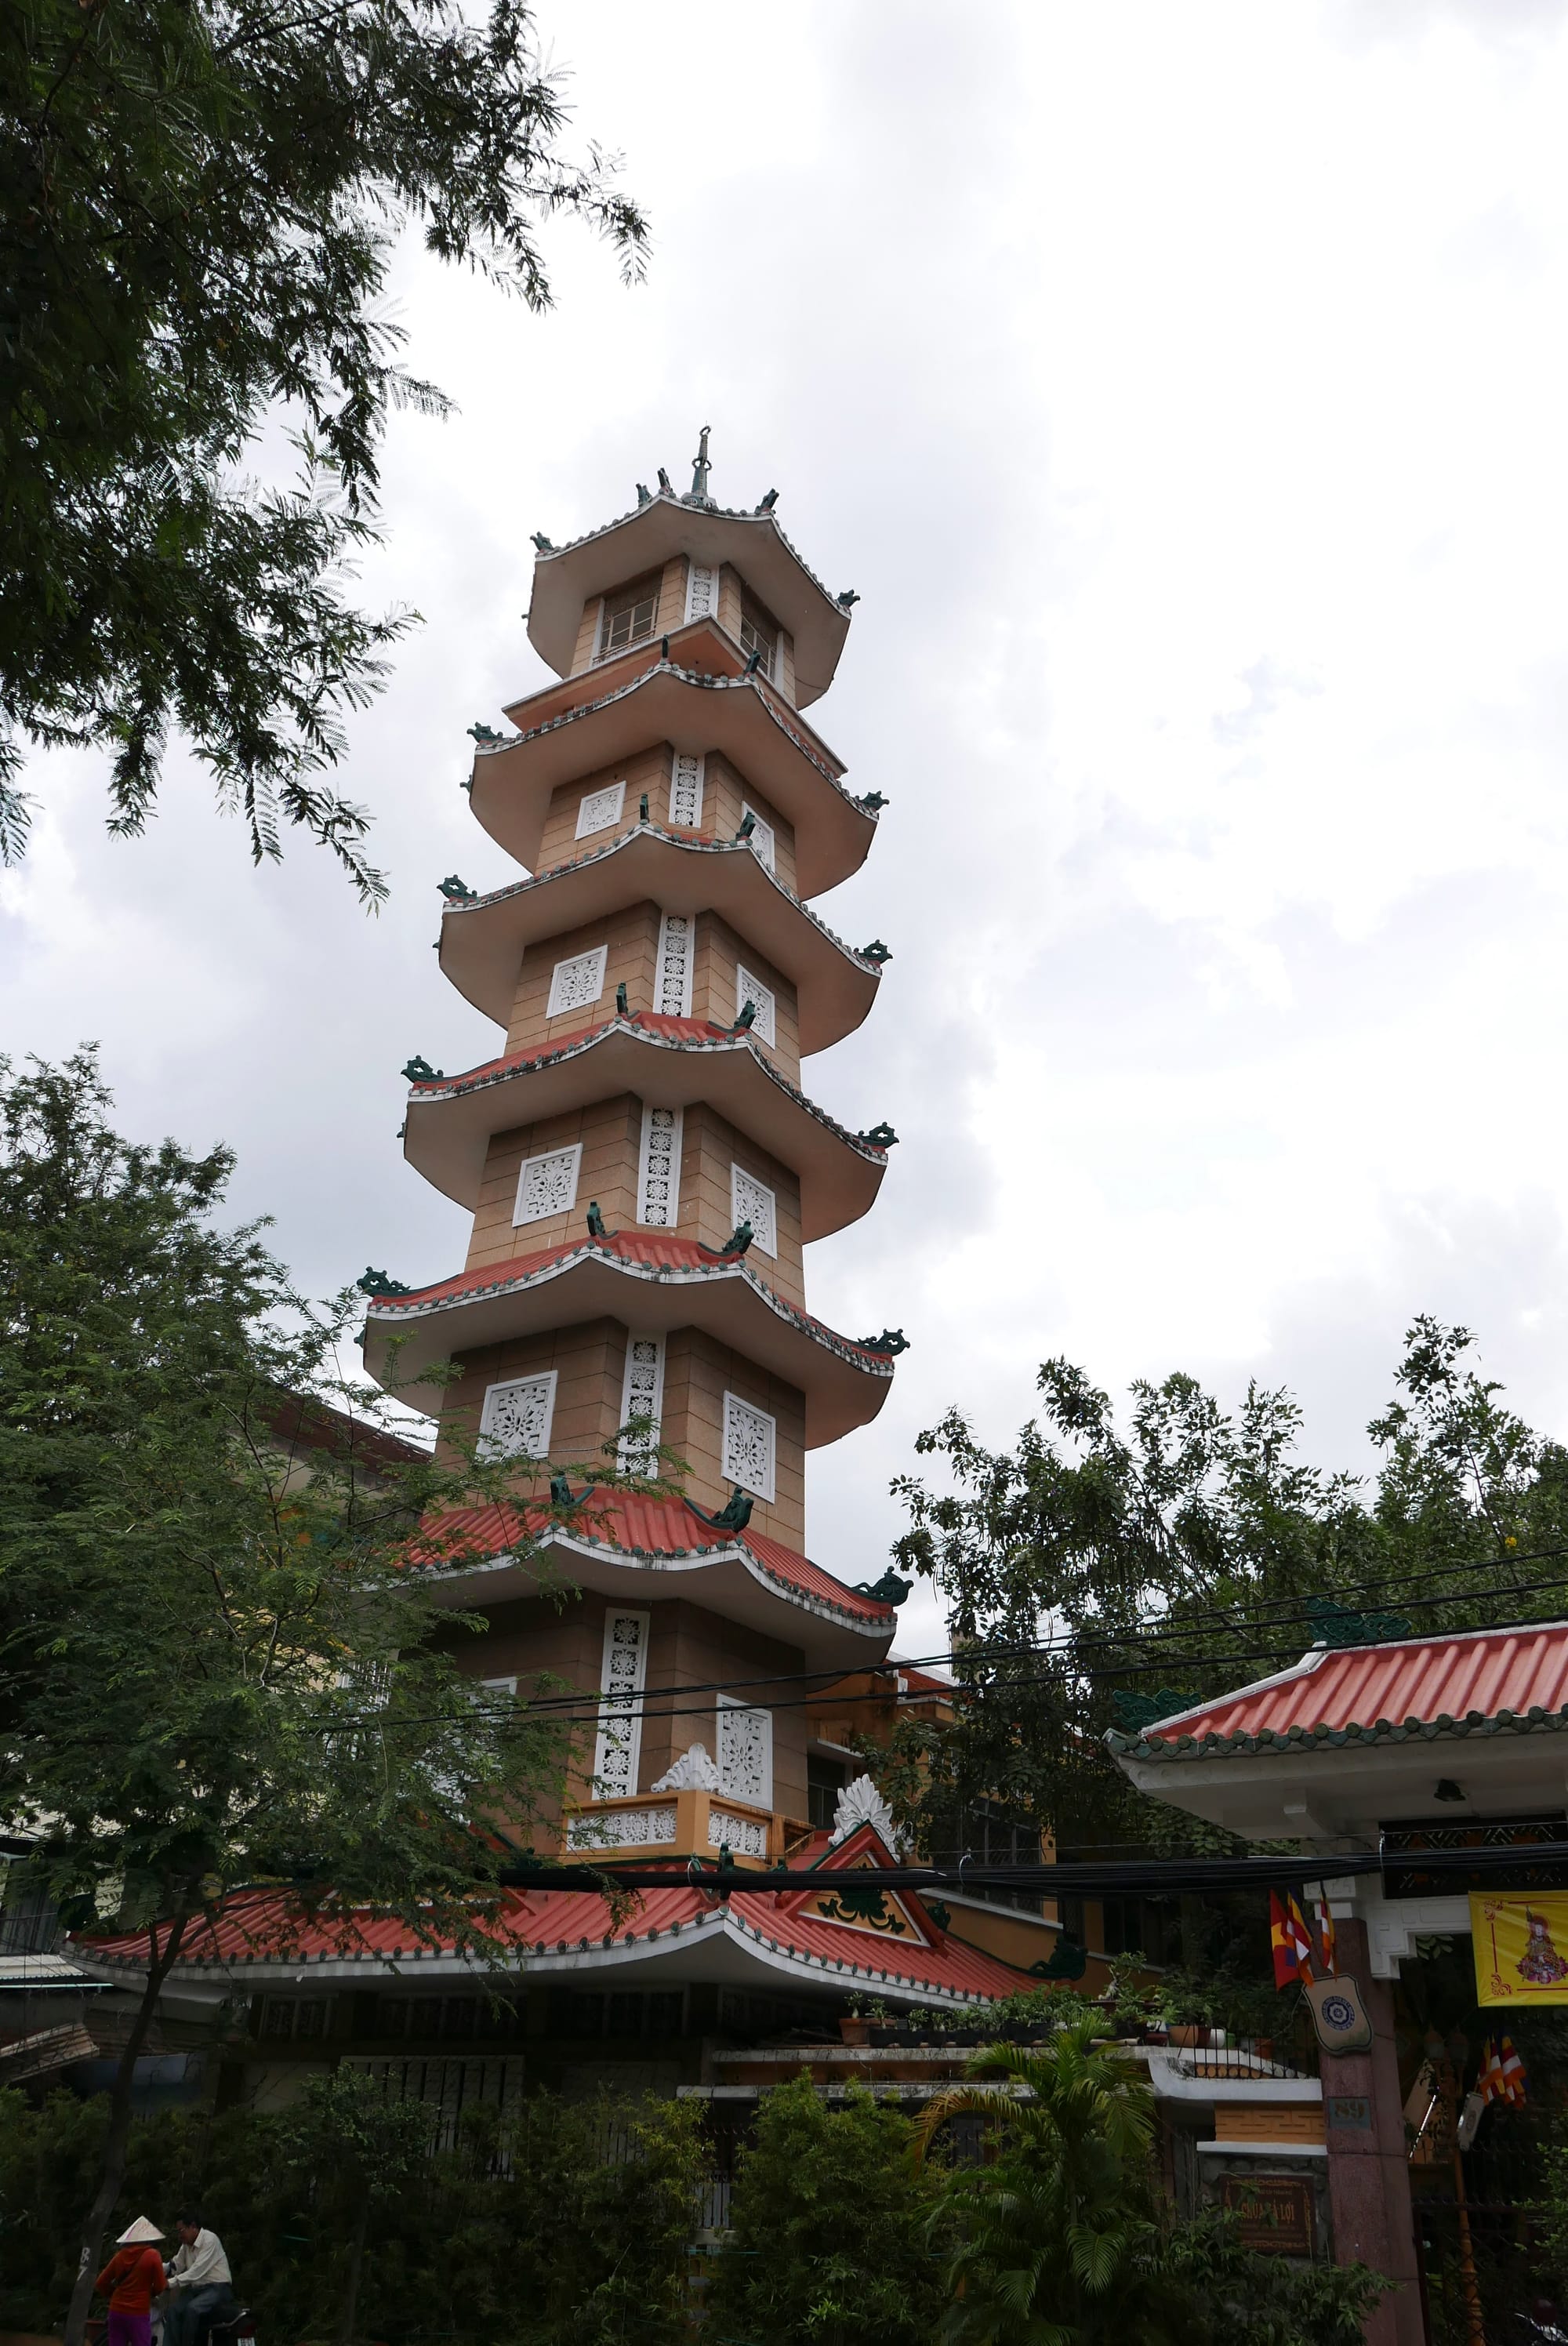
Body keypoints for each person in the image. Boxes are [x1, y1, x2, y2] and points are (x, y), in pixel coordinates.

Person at [162, 2211, 236, 2346]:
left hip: (218, 2288)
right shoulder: (186, 2245)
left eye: (181, 2231)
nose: (180, 2236)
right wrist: (154, 2267)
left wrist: (170, 2283)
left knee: (192, 2309)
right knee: (173, 2310)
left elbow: (196, 2271)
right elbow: (175, 2265)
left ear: (193, 2226)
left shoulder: (210, 2240)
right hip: (198, 2291)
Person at [95, 2217, 166, 2346]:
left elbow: (101, 2282)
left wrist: (113, 2295)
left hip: (116, 2312)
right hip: (138, 2313)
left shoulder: (120, 2256)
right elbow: (161, 2286)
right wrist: (148, 2294)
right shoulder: (153, 2255)